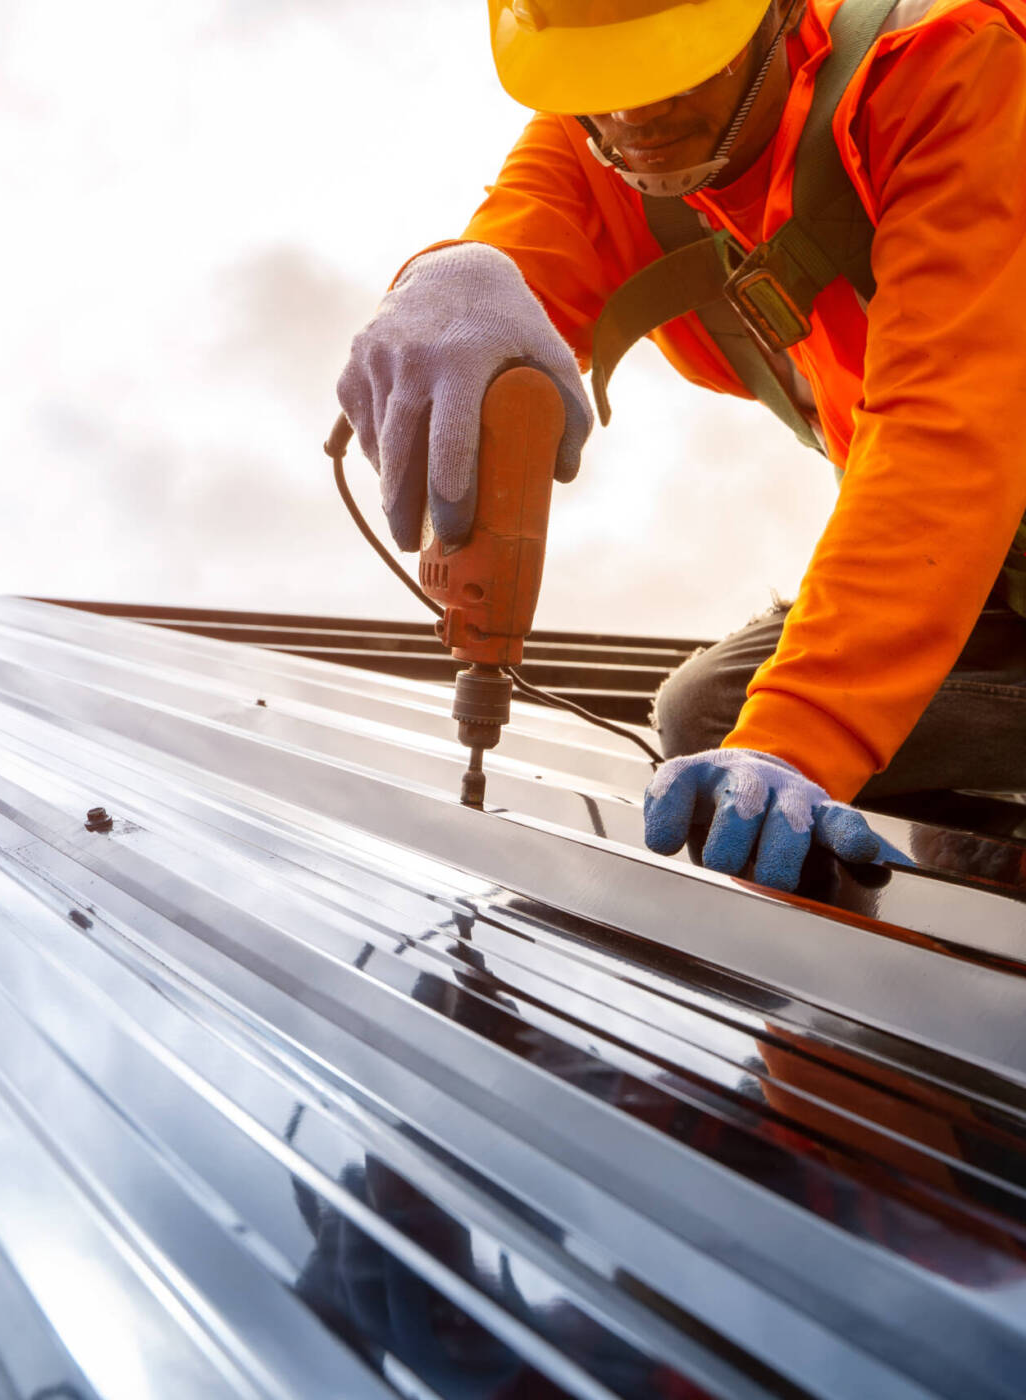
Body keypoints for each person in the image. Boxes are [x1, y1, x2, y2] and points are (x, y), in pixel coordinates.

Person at [335, 0, 1026, 892]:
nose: (635, 117)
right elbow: (521, 251)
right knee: (708, 715)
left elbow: (946, 433)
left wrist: (804, 738)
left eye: (673, 69)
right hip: (993, 581)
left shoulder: (948, 68)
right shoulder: (606, 144)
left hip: (973, 493)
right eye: (605, 84)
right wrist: (453, 281)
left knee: (783, 745)